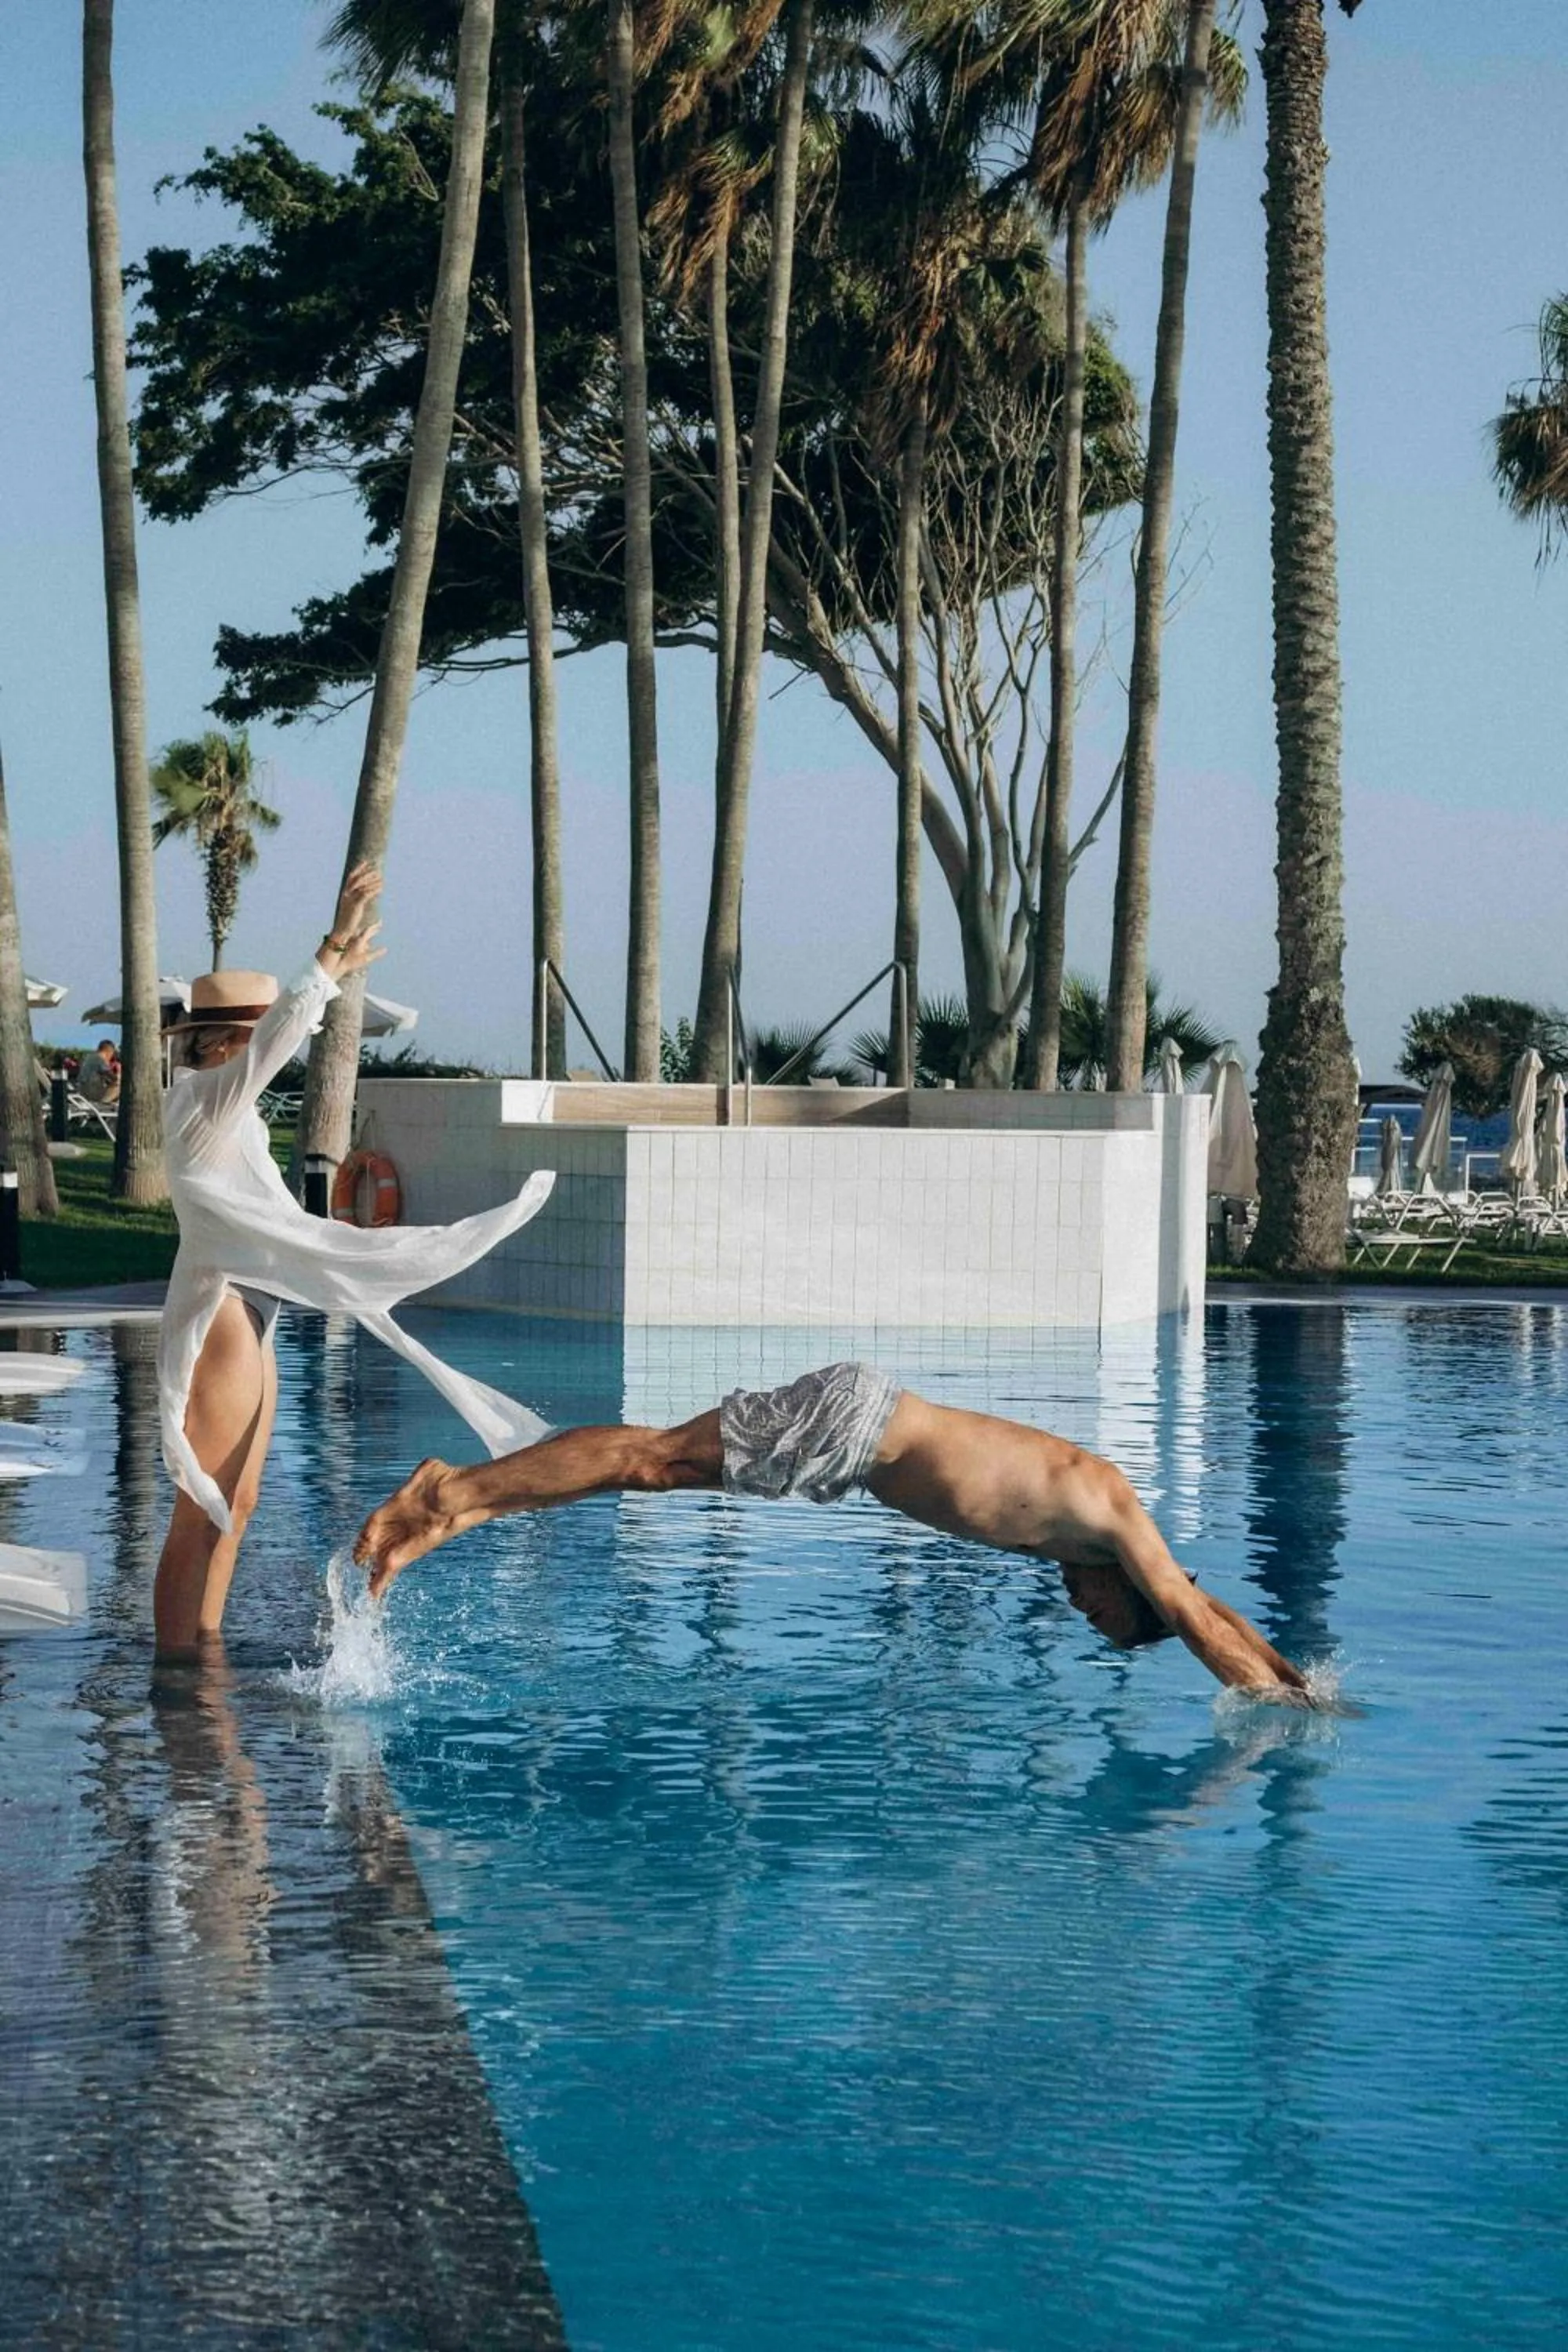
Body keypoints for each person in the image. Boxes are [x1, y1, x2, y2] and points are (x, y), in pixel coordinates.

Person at [354, 1361, 1313, 1701]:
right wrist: (1276, 1709)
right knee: (649, 1457)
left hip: (856, 1445)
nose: (1078, 1604)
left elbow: (1197, 1601)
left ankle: (465, 1507)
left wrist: (1285, 1672)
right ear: (1130, 1596)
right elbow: (1188, 1613)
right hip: (862, 1429)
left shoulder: (1112, 1543)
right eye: (1100, 1615)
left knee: (653, 1477)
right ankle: (444, 1492)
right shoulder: (1113, 1527)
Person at [154, 862, 557, 1656]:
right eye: (263, 1035)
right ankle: (178, 1675)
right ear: (231, 1040)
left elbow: (270, 1050)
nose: (283, 1048)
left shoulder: (224, 1115)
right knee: (202, 1507)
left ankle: (205, 1647)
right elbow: (276, 1042)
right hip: (223, 1307)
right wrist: (329, 955)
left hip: (253, 1303)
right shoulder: (203, 1099)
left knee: (239, 1500)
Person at [76, 1038, 121, 1105]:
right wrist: (119, 1071)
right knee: (122, 1085)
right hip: (92, 1095)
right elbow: (114, 1078)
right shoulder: (100, 1059)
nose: (111, 1057)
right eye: (112, 1054)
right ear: (109, 1051)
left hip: (83, 1092)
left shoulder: (89, 1057)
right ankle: (103, 1104)